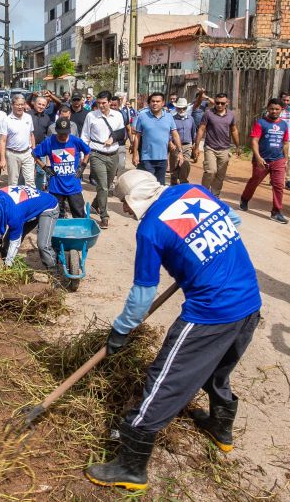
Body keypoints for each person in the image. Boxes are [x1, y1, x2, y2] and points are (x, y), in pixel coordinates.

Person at [85, 170, 261, 492]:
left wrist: (119, 332)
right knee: (215, 370)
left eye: (123, 201)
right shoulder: (193, 191)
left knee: (163, 381)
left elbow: (142, 296)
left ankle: (130, 467)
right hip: (249, 303)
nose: (123, 208)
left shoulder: (150, 229)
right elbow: (233, 221)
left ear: (133, 198)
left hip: (210, 315)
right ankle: (221, 429)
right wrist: (200, 255)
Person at [0, 184, 58, 269]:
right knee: (7, 243)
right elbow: (0, 220)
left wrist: (8, 265)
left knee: (43, 245)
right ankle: (5, 257)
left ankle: (52, 268)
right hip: (27, 208)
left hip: (48, 207)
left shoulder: (14, 215)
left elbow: (15, 241)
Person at [239, 98, 289, 224]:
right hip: (262, 160)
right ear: (267, 109)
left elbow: (285, 142)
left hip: (278, 160)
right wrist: (258, 157)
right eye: (271, 108)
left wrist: (285, 159)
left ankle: (276, 212)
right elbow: (254, 141)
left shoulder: (284, 125)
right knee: (255, 181)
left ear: (281, 110)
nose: (274, 111)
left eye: (277, 109)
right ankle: (244, 199)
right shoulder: (261, 123)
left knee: (278, 185)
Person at [81, 91, 127, 228]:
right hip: (97, 154)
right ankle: (104, 215)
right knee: (103, 185)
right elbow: (84, 135)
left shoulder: (117, 115)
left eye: (104, 103)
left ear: (109, 102)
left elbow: (122, 133)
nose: (101, 106)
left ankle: (95, 204)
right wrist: (84, 155)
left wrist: (113, 139)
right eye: (99, 103)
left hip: (113, 154)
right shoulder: (91, 116)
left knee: (106, 185)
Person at [34, 118, 91, 218]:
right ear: (56, 130)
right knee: (56, 216)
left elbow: (87, 151)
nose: (63, 136)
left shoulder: (75, 141)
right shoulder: (49, 141)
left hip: (74, 186)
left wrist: (82, 166)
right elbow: (34, 154)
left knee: (79, 215)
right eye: (61, 133)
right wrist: (45, 168)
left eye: (65, 133)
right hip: (56, 186)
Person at [133, 92, 183, 185]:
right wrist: (135, 154)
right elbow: (137, 136)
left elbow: (175, 134)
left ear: (163, 103)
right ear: (149, 103)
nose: (155, 103)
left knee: (160, 185)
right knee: (149, 184)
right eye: (153, 101)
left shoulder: (169, 117)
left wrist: (180, 152)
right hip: (147, 158)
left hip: (162, 159)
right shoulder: (142, 116)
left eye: (157, 101)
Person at [195, 92, 239, 197]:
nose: (219, 105)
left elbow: (234, 130)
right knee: (210, 171)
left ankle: (215, 196)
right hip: (210, 147)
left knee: (220, 174)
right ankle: (203, 193)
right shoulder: (208, 113)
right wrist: (196, 147)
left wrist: (238, 146)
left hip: (225, 149)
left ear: (227, 103)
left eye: (222, 103)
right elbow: (201, 129)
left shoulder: (231, 115)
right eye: (217, 103)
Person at [0, 94, 36, 187]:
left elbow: (31, 135)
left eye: (22, 104)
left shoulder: (28, 117)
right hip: (12, 154)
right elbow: (3, 141)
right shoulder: (6, 120)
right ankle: (14, 201)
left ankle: (31, 201)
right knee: (13, 183)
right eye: (17, 104)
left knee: (30, 181)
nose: (20, 107)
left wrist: (34, 151)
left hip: (27, 153)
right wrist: (2, 159)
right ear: (12, 105)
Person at [29, 95, 58, 190]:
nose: (41, 106)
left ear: (46, 106)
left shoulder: (47, 118)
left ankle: (38, 191)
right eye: (39, 104)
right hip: (27, 148)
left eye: (43, 105)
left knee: (41, 171)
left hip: (40, 148)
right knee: (26, 173)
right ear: (34, 104)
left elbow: (48, 135)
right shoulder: (27, 115)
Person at [170, 98, 197, 185]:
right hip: (175, 146)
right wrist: (170, 143)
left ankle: (183, 182)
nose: (181, 110)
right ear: (176, 108)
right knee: (175, 166)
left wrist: (194, 144)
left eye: (184, 108)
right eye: (179, 108)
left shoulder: (191, 119)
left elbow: (194, 132)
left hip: (187, 145)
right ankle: (174, 184)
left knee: (185, 165)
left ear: (186, 108)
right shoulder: (172, 119)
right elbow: (168, 133)